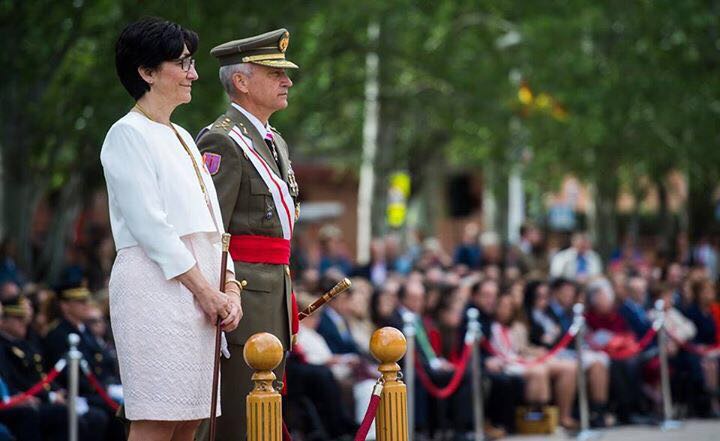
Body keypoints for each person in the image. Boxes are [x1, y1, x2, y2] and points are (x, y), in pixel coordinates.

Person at [100, 17, 241, 441]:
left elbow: (215, 226)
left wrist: (229, 286)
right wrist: (205, 290)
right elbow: (151, 228)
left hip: (201, 290)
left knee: (190, 419)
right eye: (182, 62)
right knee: (158, 417)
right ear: (146, 71)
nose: (193, 73)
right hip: (155, 287)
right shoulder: (126, 133)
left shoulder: (181, 134)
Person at [195, 28, 300, 440]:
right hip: (241, 299)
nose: (287, 81)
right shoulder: (222, 139)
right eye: (275, 73)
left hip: (273, 295)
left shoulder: (274, 142)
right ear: (241, 81)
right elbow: (211, 232)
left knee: (265, 420)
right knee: (239, 421)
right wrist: (222, 293)